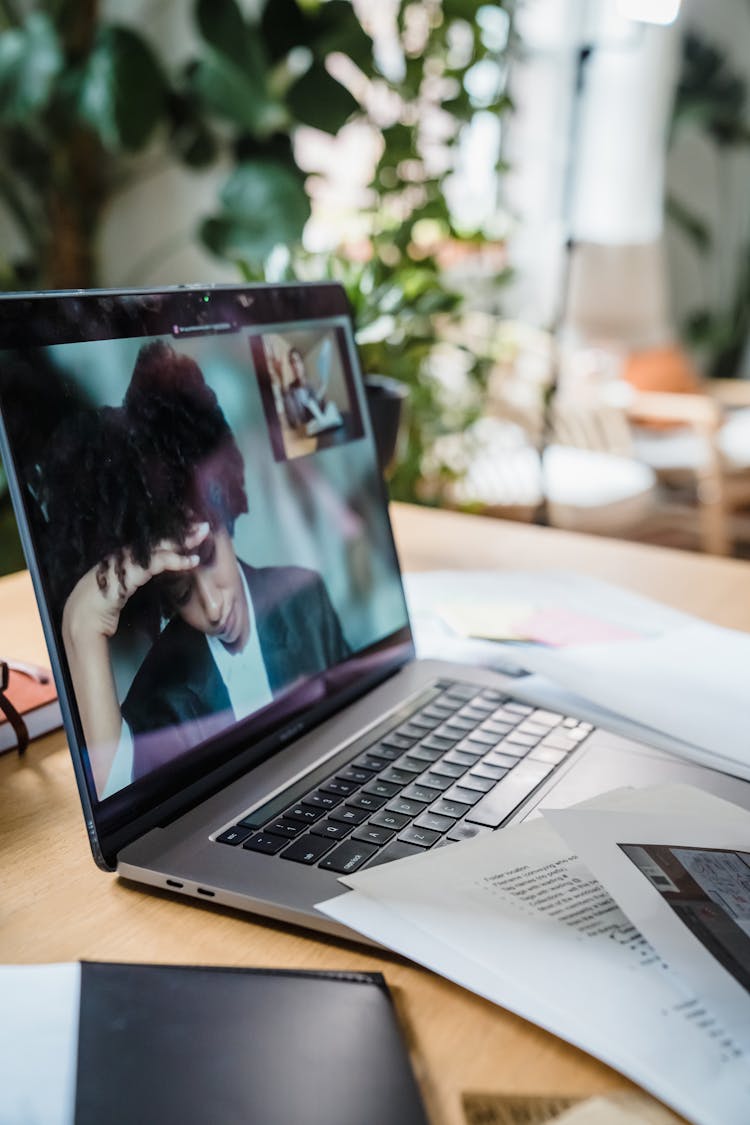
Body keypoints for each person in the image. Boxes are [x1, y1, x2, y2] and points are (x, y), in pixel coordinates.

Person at [48, 341, 350, 799]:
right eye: (180, 594)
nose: (211, 606)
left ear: (225, 513)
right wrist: (80, 625)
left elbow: (352, 705)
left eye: (206, 556)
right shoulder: (160, 691)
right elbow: (115, 794)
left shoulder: (305, 597)